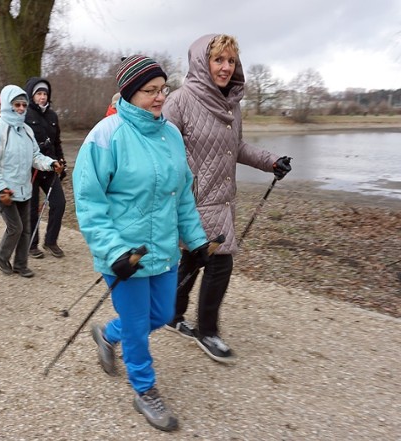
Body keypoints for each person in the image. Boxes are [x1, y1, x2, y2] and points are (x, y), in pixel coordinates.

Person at [72, 55, 210, 432]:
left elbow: (181, 195)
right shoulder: (105, 135)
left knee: (163, 315)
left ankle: (106, 333)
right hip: (125, 256)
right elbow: (88, 201)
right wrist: (114, 251)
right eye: (150, 91)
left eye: (162, 89)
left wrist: (196, 240)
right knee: (136, 325)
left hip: (163, 251)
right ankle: (144, 390)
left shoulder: (172, 135)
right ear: (129, 93)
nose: (159, 97)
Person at [163, 34, 292, 363]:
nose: (225, 67)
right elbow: (161, 151)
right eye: (219, 59)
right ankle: (207, 331)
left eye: (231, 61)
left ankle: (171, 314)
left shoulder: (231, 104)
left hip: (222, 200)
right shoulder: (179, 101)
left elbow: (237, 148)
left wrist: (271, 161)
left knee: (192, 260)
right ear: (201, 63)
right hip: (191, 201)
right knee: (221, 263)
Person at [0, 85, 63, 278]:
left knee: (26, 229)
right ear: (8, 105)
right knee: (15, 227)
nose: (21, 108)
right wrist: (1, 188)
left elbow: (35, 156)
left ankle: (21, 264)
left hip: (24, 188)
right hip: (4, 190)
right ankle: (1, 255)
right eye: (16, 104)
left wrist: (51, 163)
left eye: (24, 105)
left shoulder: (26, 130)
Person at [24, 77, 66, 259]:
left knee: (59, 203)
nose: (42, 97)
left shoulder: (53, 116)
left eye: (45, 94)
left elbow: (56, 142)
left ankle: (50, 241)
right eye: (39, 94)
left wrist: (61, 162)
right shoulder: (25, 114)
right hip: (30, 168)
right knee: (32, 207)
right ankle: (32, 244)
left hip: (50, 166)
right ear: (32, 96)